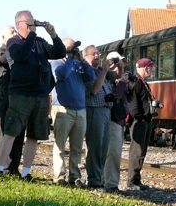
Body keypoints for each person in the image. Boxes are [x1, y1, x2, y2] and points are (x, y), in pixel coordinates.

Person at [0, 11, 66, 180]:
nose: (34, 26)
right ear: (20, 24)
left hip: (40, 95)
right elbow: (20, 56)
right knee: (11, 132)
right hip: (21, 94)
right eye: (30, 23)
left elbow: (59, 52)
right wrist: (32, 35)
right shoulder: (13, 42)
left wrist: (53, 35)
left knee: (34, 134)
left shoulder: (40, 42)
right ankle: (0, 168)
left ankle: (26, 172)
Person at [50, 38, 95, 187]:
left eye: (74, 49)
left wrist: (82, 61)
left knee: (77, 147)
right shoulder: (56, 62)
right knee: (60, 145)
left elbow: (91, 77)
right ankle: (59, 176)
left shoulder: (77, 64)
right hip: (63, 109)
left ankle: (74, 176)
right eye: (70, 48)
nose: (73, 51)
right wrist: (69, 59)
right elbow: (61, 75)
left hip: (80, 110)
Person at [83, 44, 115, 190]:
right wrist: (104, 72)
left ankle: (99, 178)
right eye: (93, 54)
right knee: (95, 146)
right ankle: (94, 180)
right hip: (94, 110)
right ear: (86, 57)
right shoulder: (87, 71)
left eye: (98, 54)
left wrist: (117, 65)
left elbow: (117, 77)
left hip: (106, 110)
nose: (97, 56)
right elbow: (95, 90)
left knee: (104, 147)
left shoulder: (100, 71)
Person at [0, 25, 23, 175]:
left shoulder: (18, 51)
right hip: (5, 98)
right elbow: (4, 60)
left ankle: (14, 167)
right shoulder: (1, 51)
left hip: (19, 97)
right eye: (11, 32)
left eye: (15, 32)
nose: (14, 34)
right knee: (4, 132)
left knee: (19, 134)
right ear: (3, 38)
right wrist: (13, 43)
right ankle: (3, 166)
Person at [126, 57, 157, 191]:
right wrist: (141, 117)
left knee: (141, 151)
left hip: (145, 120)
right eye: (150, 67)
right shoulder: (136, 83)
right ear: (145, 68)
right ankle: (132, 181)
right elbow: (133, 105)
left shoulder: (143, 82)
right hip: (139, 121)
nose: (151, 70)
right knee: (137, 151)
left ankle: (136, 180)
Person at [103, 51, 129, 193]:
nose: (120, 67)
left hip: (119, 120)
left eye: (122, 64)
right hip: (112, 119)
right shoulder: (107, 79)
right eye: (118, 64)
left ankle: (109, 181)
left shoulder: (119, 81)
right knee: (112, 153)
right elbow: (115, 96)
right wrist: (122, 83)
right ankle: (110, 183)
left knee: (115, 153)